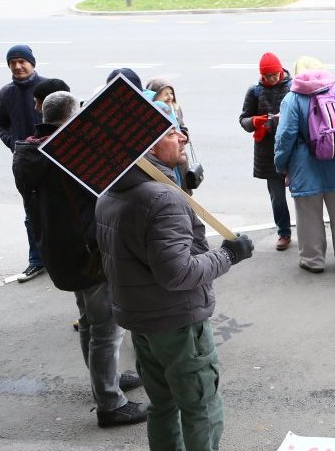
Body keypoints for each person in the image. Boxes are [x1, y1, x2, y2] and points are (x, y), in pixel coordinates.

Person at [96, 104, 255, 451]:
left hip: (141, 321)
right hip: (177, 323)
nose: (183, 136)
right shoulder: (161, 198)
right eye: (171, 131)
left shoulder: (109, 191)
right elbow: (178, 273)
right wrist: (230, 254)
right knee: (201, 407)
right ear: (148, 146)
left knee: (162, 405)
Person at [12, 91, 148, 429]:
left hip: (60, 250)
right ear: (71, 117)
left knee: (89, 321)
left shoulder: (29, 151)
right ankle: (109, 402)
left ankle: (106, 381)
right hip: (89, 251)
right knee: (106, 330)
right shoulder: (68, 152)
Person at [274, 56, 335, 273]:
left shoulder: (292, 99)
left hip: (305, 167)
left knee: (308, 217)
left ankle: (313, 260)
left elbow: (285, 136)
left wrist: (281, 163)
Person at [0, 43, 48, 283]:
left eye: (22, 61)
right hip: (25, 163)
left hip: (52, 161)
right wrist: (14, 144)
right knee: (31, 212)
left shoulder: (48, 87)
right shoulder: (6, 93)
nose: (17, 66)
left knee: (61, 208)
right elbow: (0, 123)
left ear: (32, 63)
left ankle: (65, 256)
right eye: (12, 62)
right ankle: (36, 261)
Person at [239, 52, 294, 251]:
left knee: (304, 193)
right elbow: (243, 119)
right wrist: (254, 122)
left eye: (275, 75)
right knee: (277, 196)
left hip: (292, 148)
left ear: (281, 71)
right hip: (268, 152)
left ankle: (308, 230)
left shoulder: (292, 87)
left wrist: (278, 120)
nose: (272, 79)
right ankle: (284, 232)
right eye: (268, 76)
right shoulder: (254, 91)